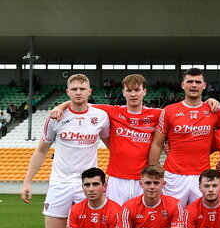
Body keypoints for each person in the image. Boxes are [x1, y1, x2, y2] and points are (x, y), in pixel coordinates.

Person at [21, 73, 110, 228]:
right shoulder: (55, 118)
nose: (78, 92)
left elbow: (115, 146)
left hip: (88, 186)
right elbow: (41, 150)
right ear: (67, 92)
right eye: (74, 88)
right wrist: (27, 181)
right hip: (60, 185)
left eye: (83, 88)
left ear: (90, 92)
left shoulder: (100, 116)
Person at [49, 74, 170, 205]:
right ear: (123, 92)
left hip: (143, 179)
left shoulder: (157, 114)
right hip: (117, 179)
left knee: (142, 222)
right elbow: (81, 102)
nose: (133, 94)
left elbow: (176, 127)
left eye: (137, 90)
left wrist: (168, 144)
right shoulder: (113, 112)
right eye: (129, 90)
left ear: (144, 91)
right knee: (115, 221)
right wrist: (59, 107)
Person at [149, 68, 220, 207]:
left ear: (204, 85)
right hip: (174, 175)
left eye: (198, 82)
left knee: (201, 220)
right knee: (171, 217)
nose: (194, 85)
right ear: (183, 85)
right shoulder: (169, 110)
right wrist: (152, 172)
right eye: (190, 81)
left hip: (202, 176)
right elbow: (157, 144)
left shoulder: (214, 110)